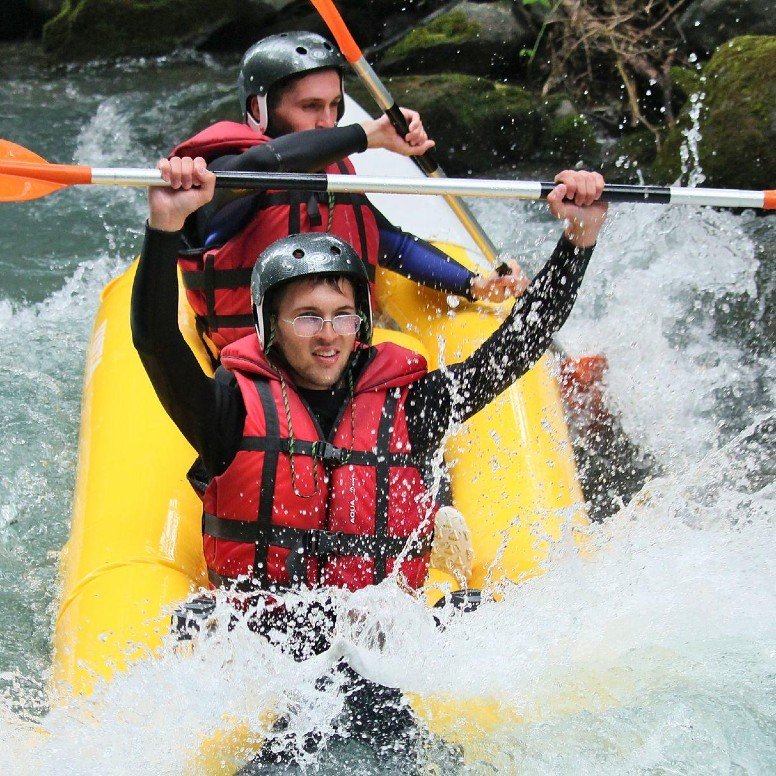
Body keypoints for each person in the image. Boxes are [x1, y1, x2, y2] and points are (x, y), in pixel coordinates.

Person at [131, 156, 607, 758]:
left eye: (341, 315)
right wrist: (165, 225)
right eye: (307, 316)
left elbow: (518, 346)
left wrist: (578, 239)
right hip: (270, 651)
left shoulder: (412, 405)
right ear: (270, 324)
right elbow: (153, 340)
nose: (328, 334)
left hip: (378, 644)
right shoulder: (228, 408)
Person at [171, 31, 528, 356]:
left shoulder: (334, 176)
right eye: (310, 107)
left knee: (402, 351)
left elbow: (390, 243)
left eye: (334, 106)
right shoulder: (224, 173)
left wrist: (474, 284)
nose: (328, 121)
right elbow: (265, 165)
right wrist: (367, 135)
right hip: (256, 365)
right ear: (257, 110)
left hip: (334, 357)